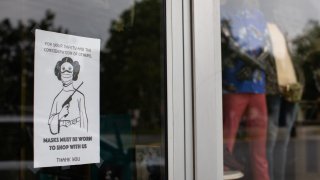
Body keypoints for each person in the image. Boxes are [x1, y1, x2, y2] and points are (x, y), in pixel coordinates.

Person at [221, 0, 271, 180]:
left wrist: (254, 65)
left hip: (257, 85)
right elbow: (229, 45)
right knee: (227, 141)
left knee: (259, 143)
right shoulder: (222, 13)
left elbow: (267, 46)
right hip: (234, 84)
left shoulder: (258, 15)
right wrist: (254, 64)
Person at [48, 57, 88, 135]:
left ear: (74, 73)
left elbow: (84, 120)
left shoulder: (79, 96)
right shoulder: (57, 98)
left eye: (69, 69)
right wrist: (60, 115)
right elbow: (50, 121)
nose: (66, 72)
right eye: (63, 69)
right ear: (59, 73)